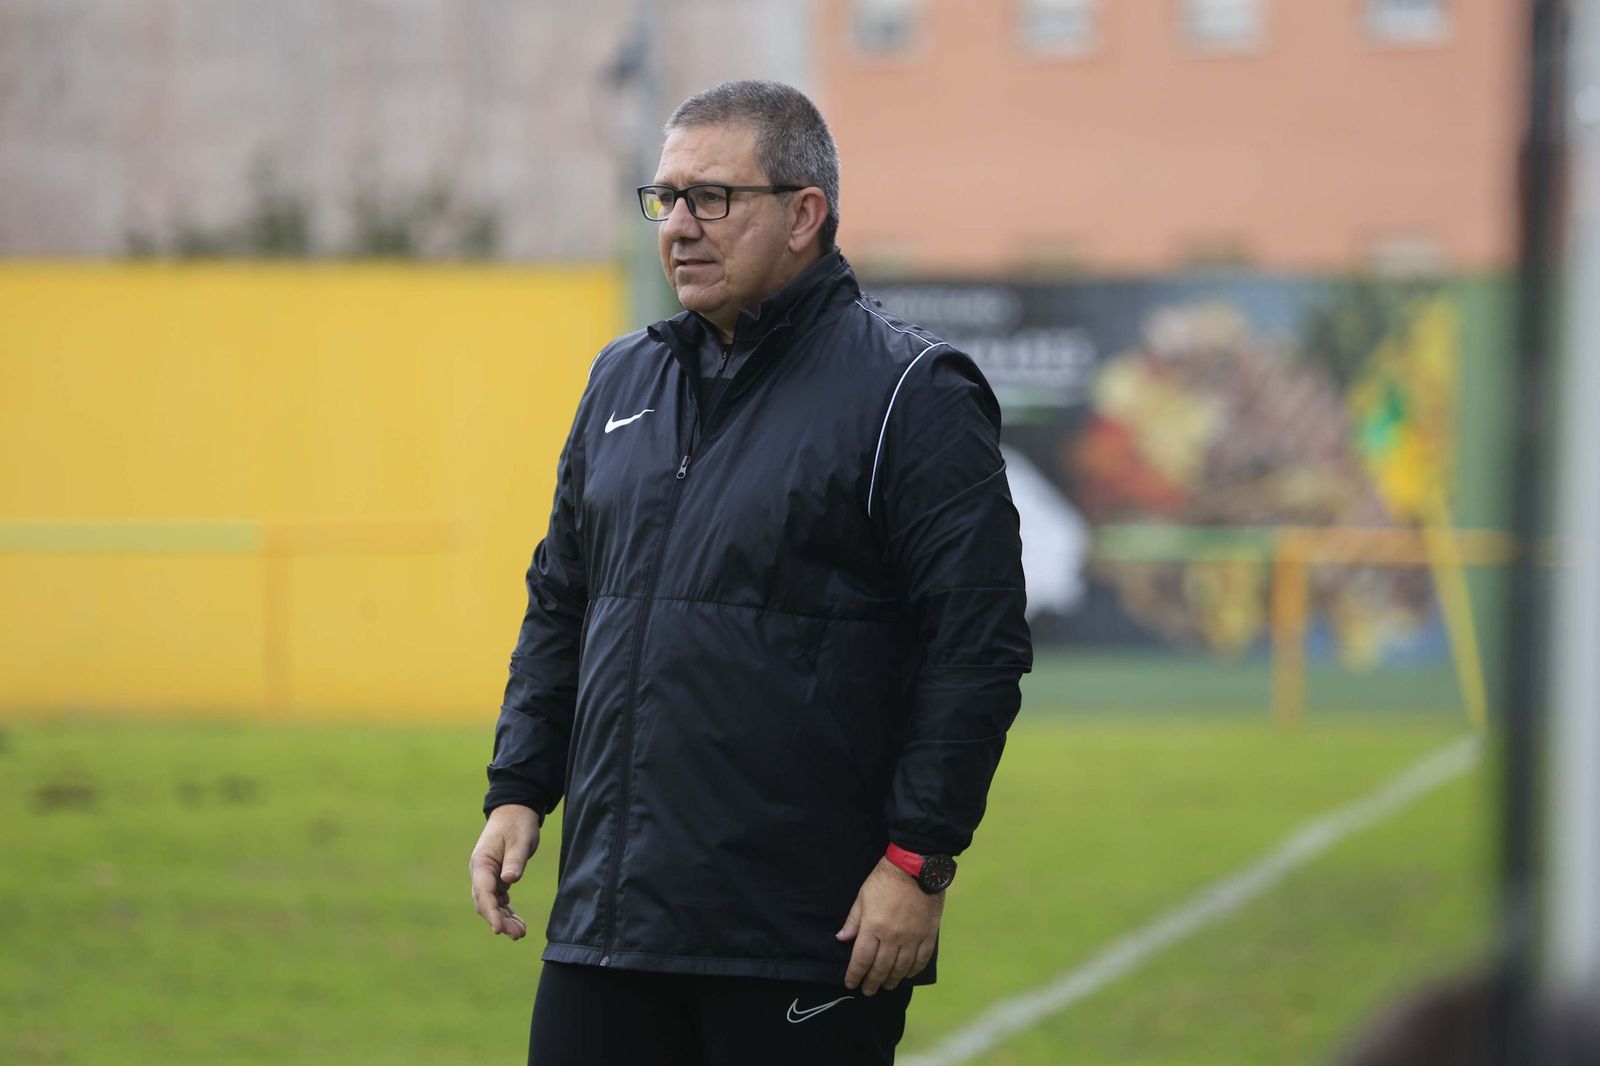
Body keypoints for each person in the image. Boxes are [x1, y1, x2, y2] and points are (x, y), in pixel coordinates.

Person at [469, 79, 1032, 1066]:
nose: (679, 225)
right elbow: (563, 600)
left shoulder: (912, 392)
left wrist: (917, 862)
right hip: (609, 921)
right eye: (664, 198)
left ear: (804, 214)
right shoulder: (621, 379)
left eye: (711, 198)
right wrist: (519, 784)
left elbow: (975, 647)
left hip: (804, 935)